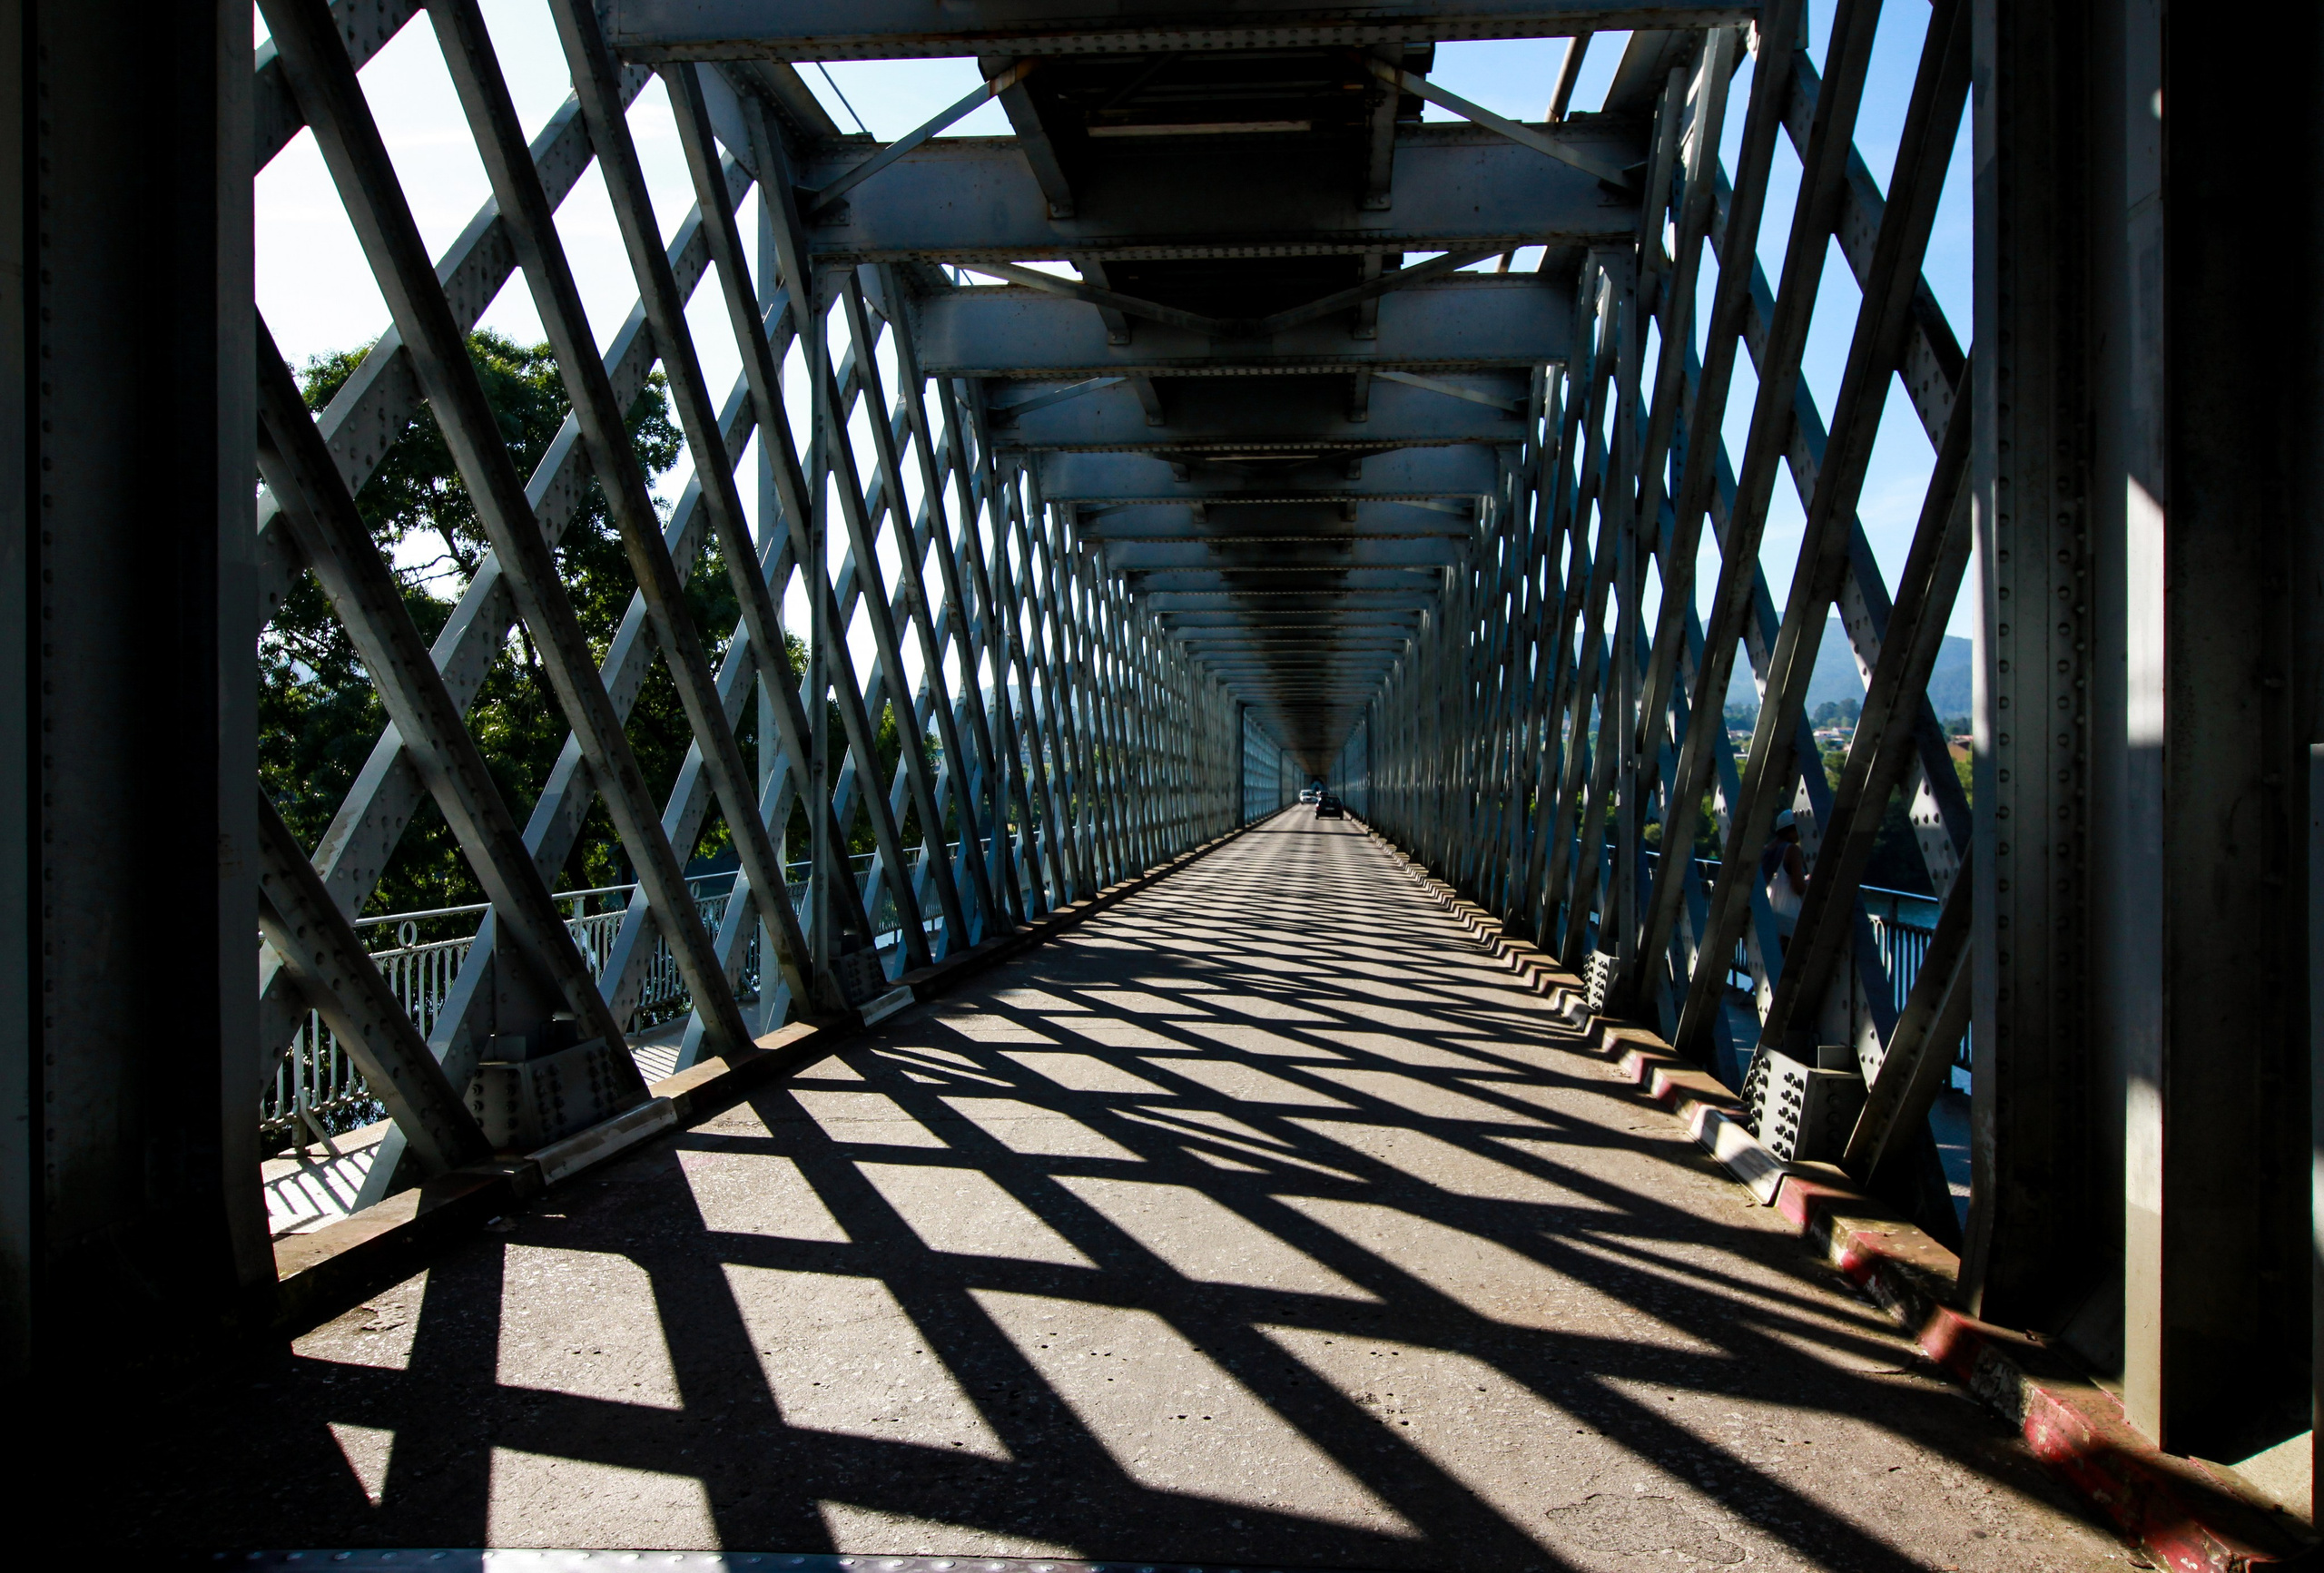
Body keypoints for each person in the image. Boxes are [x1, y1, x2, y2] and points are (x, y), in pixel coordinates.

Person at [1760, 808, 1808, 934]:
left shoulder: (1765, 850)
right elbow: (1798, 887)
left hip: (1767, 918)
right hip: (1788, 920)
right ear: (1791, 830)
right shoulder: (1792, 850)